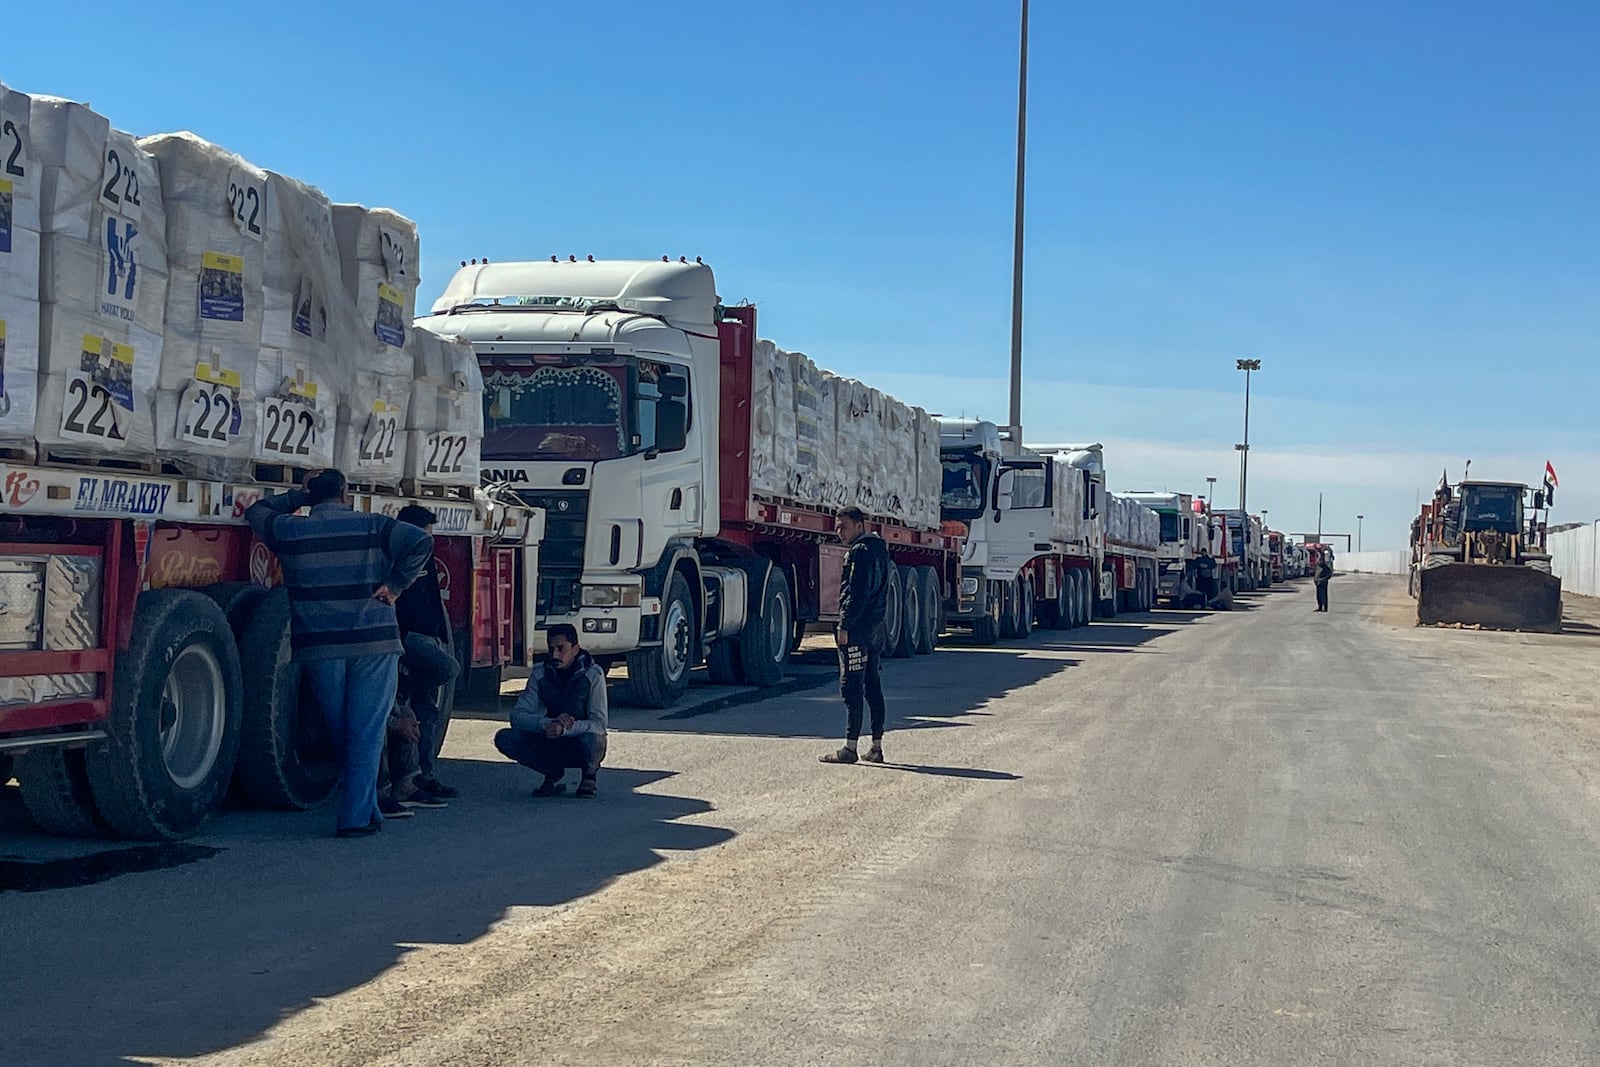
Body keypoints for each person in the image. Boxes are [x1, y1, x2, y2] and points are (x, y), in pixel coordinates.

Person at [246, 469, 433, 839]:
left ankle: (369, 808)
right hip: (373, 642)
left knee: (342, 729)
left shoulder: (290, 530)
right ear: (345, 493)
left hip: (321, 644)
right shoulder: (374, 526)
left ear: (311, 495)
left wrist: (297, 498)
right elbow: (421, 544)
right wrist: (395, 586)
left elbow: (257, 512)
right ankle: (354, 817)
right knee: (365, 729)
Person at [394, 504, 462, 800]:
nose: (429, 539)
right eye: (425, 532)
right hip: (410, 638)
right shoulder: (398, 557)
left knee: (427, 712)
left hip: (429, 637)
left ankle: (425, 775)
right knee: (448, 669)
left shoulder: (425, 557)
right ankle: (404, 687)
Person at [494, 624, 608, 797]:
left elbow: (599, 725)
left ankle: (589, 775)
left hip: (579, 740)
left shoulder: (593, 675)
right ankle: (552, 772)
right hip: (550, 737)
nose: (555, 655)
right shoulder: (540, 673)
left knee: (592, 740)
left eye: (561, 649)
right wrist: (547, 724)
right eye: (551, 648)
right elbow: (517, 716)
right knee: (505, 738)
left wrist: (568, 728)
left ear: (575, 649)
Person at [821, 505, 891, 766]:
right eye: (837, 527)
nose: (839, 532)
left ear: (859, 525)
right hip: (875, 629)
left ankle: (850, 748)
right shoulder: (880, 549)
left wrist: (845, 626)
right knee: (873, 685)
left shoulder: (859, 553)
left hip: (858, 631)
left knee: (851, 686)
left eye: (844, 527)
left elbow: (856, 594)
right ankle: (876, 746)